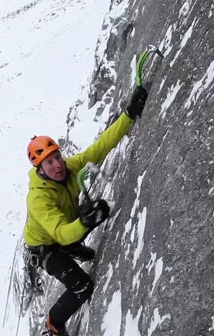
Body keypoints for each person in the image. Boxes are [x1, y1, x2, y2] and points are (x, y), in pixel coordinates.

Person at [23, 85, 149, 336]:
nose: (58, 165)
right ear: (40, 169)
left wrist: (129, 114)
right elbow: (60, 232)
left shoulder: (68, 168)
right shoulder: (38, 198)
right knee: (82, 286)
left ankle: (72, 248)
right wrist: (87, 222)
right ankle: (53, 322)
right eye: (49, 162)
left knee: (87, 215)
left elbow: (98, 149)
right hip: (46, 247)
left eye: (57, 157)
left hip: (64, 227)